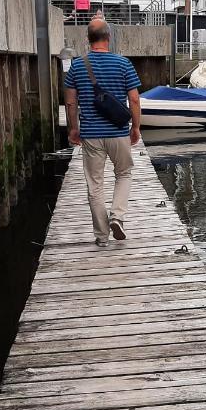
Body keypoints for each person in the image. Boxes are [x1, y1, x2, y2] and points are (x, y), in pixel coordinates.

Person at [64, 18, 141, 247]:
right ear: (109, 38)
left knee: (95, 185)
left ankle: (101, 236)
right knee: (124, 174)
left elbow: (70, 103)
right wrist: (135, 127)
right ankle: (117, 217)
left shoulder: (77, 65)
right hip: (118, 132)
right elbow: (134, 99)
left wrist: (73, 129)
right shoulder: (124, 63)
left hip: (91, 134)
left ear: (88, 40)